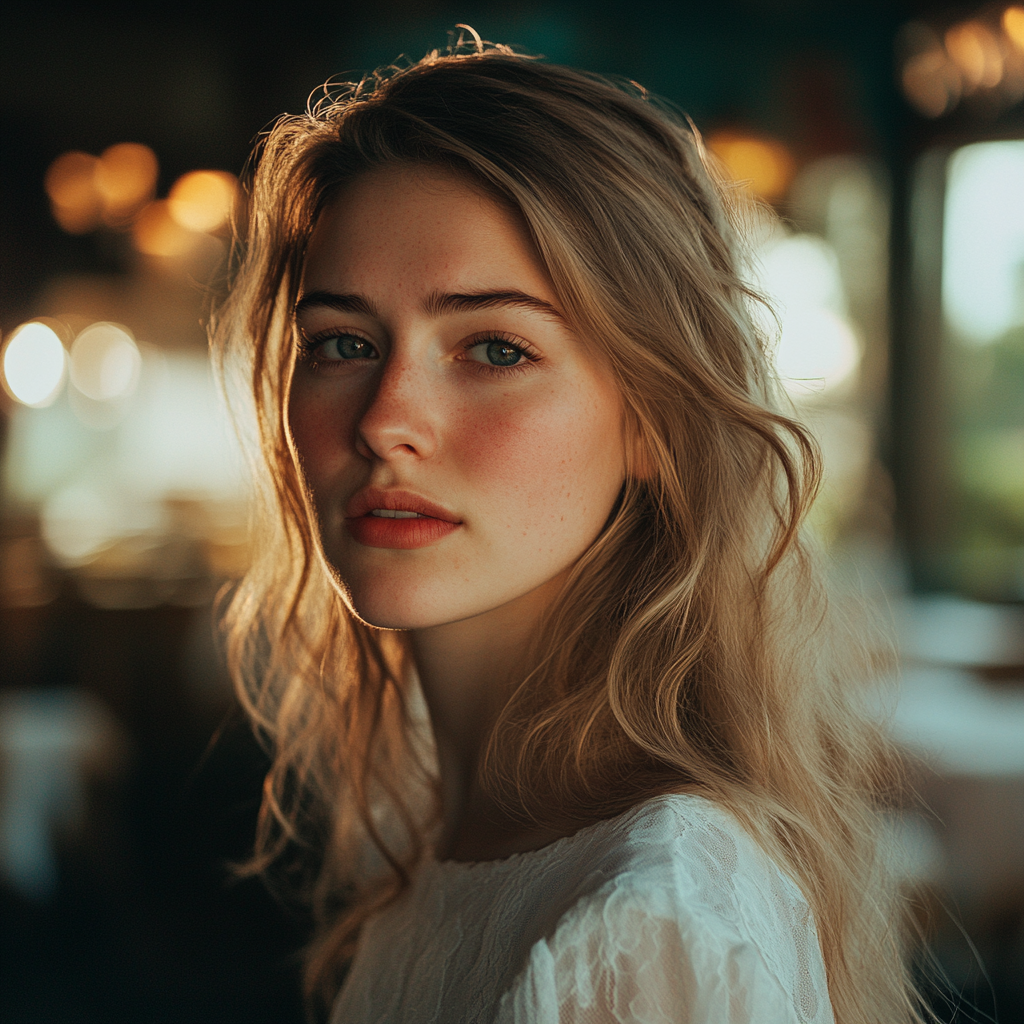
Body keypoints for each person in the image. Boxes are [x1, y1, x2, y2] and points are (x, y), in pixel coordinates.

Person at [212, 29, 921, 1024]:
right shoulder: (457, 849)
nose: (383, 419)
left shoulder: (650, 917)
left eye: (494, 348)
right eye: (343, 342)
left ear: (651, 420)